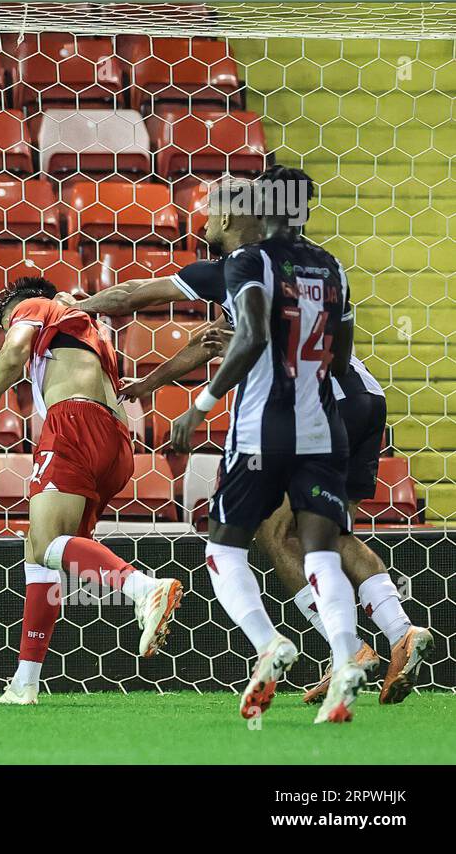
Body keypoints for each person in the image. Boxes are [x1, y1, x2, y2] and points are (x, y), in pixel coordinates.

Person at [70, 170, 430, 707]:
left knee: (269, 531)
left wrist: (72, 308)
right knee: (324, 536)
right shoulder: (315, 264)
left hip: (296, 408)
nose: (206, 217)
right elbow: (220, 342)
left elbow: (132, 294)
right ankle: (395, 630)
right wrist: (149, 384)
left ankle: (343, 649)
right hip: (352, 397)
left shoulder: (240, 266)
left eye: (215, 207)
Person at [167, 167, 366, 723]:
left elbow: (252, 335)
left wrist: (199, 406)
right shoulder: (332, 267)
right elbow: (341, 357)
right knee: (321, 551)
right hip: (323, 426)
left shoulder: (248, 261)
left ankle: (267, 643)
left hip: (261, 426)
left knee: (224, 549)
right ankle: (345, 656)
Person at [0, 278, 183, 705]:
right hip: (117, 442)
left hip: (74, 423)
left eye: (3, 320)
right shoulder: (87, 329)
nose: (6, 327)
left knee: (46, 544)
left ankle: (142, 588)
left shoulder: (36, 306)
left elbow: (15, 351)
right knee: (42, 551)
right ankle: (25, 683)